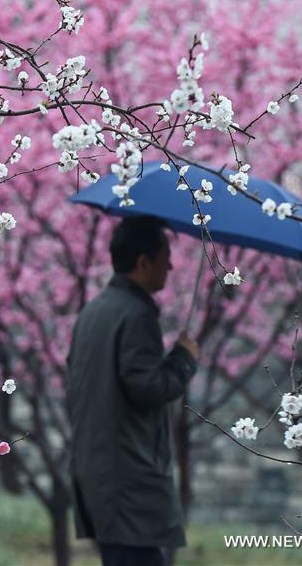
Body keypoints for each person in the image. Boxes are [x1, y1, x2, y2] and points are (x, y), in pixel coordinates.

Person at [67, 215, 200, 566]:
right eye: (164, 257)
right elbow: (148, 388)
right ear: (143, 262)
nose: (171, 266)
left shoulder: (93, 311)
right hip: (129, 483)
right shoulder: (137, 313)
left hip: (98, 476)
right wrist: (184, 358)